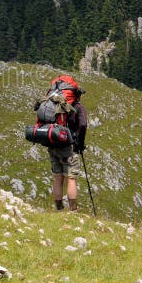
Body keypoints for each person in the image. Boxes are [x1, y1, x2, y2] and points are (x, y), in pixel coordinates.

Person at [43, 77, 87, 212]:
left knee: (57, 178)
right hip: (69, 147)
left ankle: (59, 209)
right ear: (77, 94)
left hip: (53, 144)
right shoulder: (77, 107)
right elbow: (83, 125)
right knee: (71, 179)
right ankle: (73, 210)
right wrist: (79, 144)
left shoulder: (56, 105)